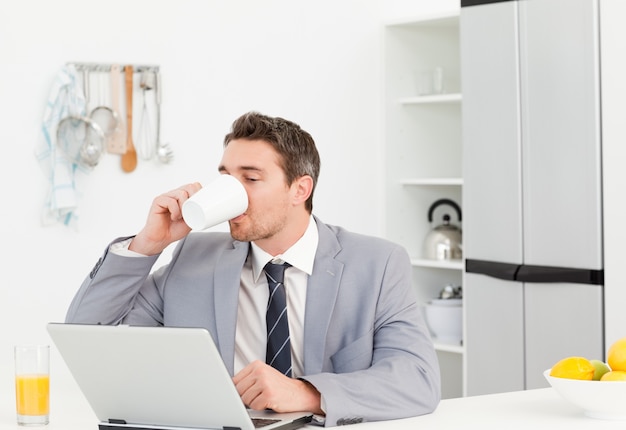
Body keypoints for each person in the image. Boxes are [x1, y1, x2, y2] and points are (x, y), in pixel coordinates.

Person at [66, 111, 441, 426]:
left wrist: (306, 393)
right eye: (227, 177)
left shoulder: (377, 264)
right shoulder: (192, 257)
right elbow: (88, 336)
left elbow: (417, 380)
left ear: (300, 189)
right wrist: (147, 246)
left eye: (251, 178)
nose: (234, 191)